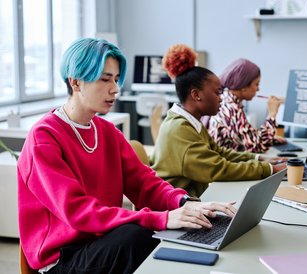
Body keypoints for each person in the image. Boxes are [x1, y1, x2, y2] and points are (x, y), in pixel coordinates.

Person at [17, 38, 236, 274]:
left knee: (180, 230)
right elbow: (78, 212)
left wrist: (187, 204)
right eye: (104, 79)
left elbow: (145, 184)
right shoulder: (44, 137)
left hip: (103, 242)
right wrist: (159, 219)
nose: (115, 88)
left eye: (115, 78)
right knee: (141, 233)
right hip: (63, 260)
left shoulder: (108, 132)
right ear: (76, 82)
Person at [150, 44, 286, 198]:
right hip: (172, 209)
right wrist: (269, 169)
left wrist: (260, 159)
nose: (221, 98)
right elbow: (219, 169)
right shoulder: (180, 130)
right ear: (196, 95)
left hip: (191, 199)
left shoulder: (190, 121)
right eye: (217, 93)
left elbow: (219, 152)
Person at [205, 58, 285, 153]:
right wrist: (272, 114)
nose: (258, 89)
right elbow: (258, 147)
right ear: (243, 87)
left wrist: (271, 138)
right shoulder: (230, 108)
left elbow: (245, 136)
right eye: (256, 84)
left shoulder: (227, 100)